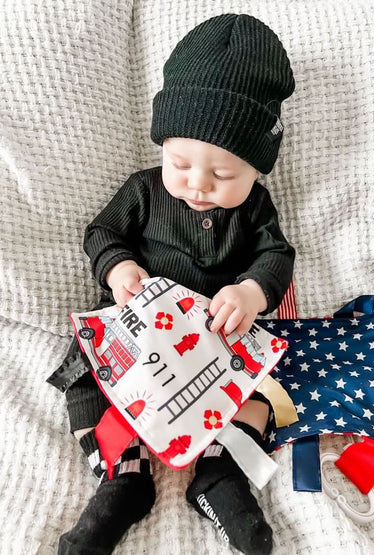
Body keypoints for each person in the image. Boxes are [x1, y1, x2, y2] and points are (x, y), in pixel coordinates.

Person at [49, 13, 295, 555]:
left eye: (224, 175)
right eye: (180, 163)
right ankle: (123, 475)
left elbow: (277, 255)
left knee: (269, 392)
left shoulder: (254, 209)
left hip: (215, 337)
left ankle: (218, 472)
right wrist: (117, 268)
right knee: (86, 376)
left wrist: (252, 291)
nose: (198, 185)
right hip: (137, 328)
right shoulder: (143, 191)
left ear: (257, 169)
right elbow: (101, 232)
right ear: (162, 144)